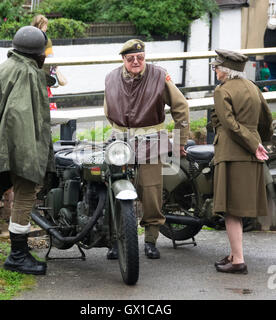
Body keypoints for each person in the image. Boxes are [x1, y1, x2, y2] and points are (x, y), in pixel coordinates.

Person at [0, 26, 55, 275]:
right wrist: (29, 158)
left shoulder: (7, 66)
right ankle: (17, 256)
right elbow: (19, 117)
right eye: (44, 52)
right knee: (26, 191)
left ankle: (18, 253)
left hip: (3, 142)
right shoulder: (26, 72)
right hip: (17, 146)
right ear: (38, 53)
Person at [104, 39, 189, 259]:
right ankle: (116, 240)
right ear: (123, 59)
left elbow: (181, 107)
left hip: (152, 143)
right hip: (120, 144)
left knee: (151, 193)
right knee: (114, 192)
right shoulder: (111, 77)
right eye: (130, 58)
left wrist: (180, 141)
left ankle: (151, 240)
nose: (136, 61)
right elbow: (107, 109)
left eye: (140, 57)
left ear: (145, 57)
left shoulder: (159, 76)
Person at [210, 49, 273, 274]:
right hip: (251, 154)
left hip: (231, 155)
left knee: (231, 210)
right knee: (238, 209)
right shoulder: (253, 88)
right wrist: (259, 143)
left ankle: (237, 260)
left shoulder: (222, 91)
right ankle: (233, 254)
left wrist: (252, 144)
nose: (215, 70)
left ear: (225, 70)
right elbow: (266, 120)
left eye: (216, 67)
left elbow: (229, 124)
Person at [32, 14, 58, 110]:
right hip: (43, 76)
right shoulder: (47, 41)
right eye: (45, 25)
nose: (46, 27)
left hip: (31, 74)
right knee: (45, 103)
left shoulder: (29, 37)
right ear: (41, 26)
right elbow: (51, 58)